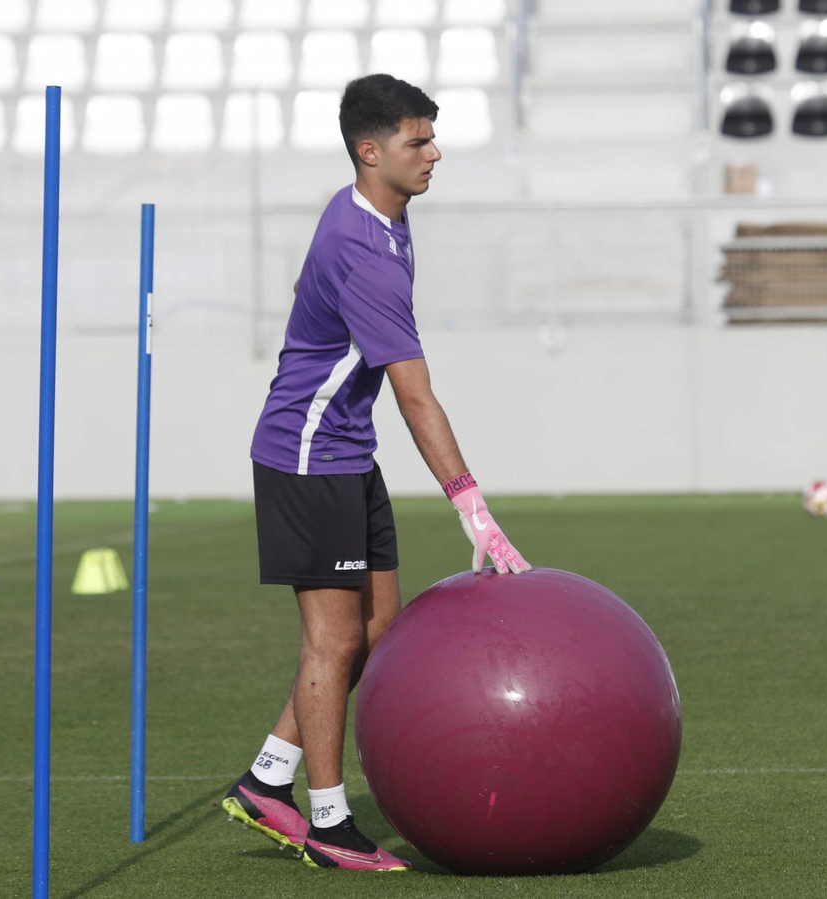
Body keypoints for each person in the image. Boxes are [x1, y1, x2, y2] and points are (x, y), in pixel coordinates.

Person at [220, 74, 532, 872]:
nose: (434, 153)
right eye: (416, 141)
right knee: (331, 641)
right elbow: (416, 394)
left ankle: (266, 777)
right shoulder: (367, 252)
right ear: (370, 151)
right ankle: (327, 823)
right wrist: (472, 506)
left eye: (432, 137)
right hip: (305, 458)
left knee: (376, 631)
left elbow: (308, 292)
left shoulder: (376, 218)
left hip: (346, 455)